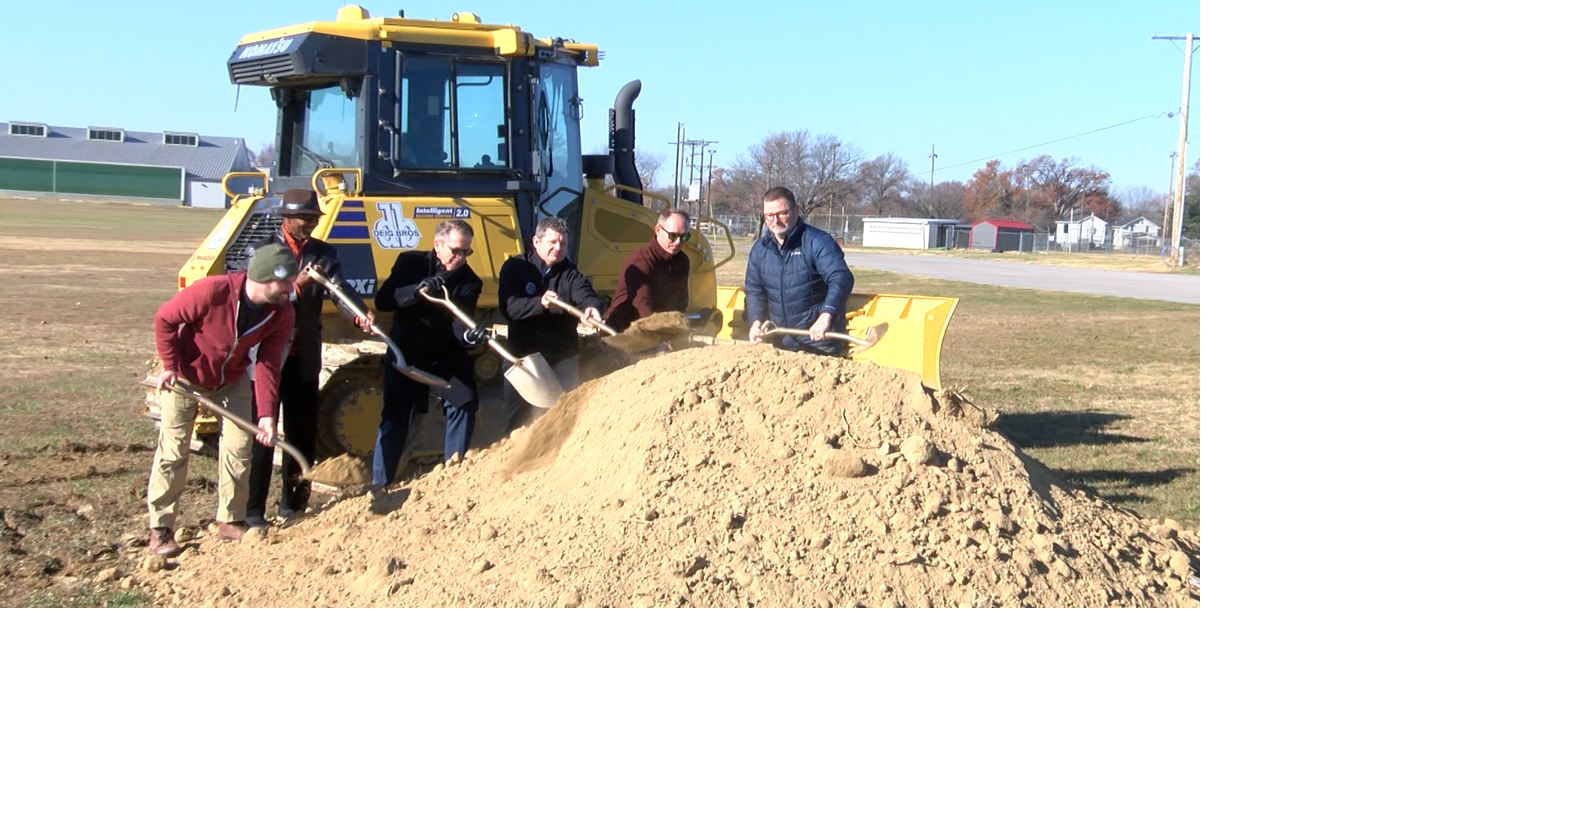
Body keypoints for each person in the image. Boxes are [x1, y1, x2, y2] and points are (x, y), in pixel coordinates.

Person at [146, 244, 297, 557]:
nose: (291, 290)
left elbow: (268, 363)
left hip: (232, 380)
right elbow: (165, 319)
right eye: (285, 284)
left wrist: (267, 414)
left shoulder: (282, 313)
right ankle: (160, 528)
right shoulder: (212, 291)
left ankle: (230, 521)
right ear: (264, 279)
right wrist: (170, 365)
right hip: (187, 377)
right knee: (173, 452)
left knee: (240, 449)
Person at [245, 189, 373, 526]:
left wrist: (359, 314)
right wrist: (297, 286)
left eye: (316, 218)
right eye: (306, 219)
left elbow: (341, 291)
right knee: (263, 435)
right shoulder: (263, 251)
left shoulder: (324, 254)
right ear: (287, 218)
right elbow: (259, 298)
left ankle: (294, 506)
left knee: (302, 433)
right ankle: (253, 512)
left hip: (304, 357)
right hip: (268, 359)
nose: (313, 224)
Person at [370, 220, 490, 486]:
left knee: (465, 401)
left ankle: (452, 475)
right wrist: (418, 289)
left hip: (444, 355)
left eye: (466, 252)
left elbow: (461, 325)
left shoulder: (469, 281)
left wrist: (471, 336)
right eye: (456, 251)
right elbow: (384, 300)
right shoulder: (410, 263)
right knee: (396, 414)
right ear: (438, 245)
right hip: (407, 354)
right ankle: (381, 483)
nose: (460, 258)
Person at [498, 216, 604, 428]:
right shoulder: (515, 267)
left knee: (561, 418)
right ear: (536, 242)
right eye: (552, 242)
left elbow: (585, 294)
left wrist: (591, 307)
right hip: (523, 358)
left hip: (561, 356)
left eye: (563, 243)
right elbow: (509, 308)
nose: (558, 248)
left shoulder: (570, 273)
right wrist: (540, 304)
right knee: (517, 421)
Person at [745, 186, 855, 356]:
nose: (775, 221)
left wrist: (826, 316)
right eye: (769, 216)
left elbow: (841, 278)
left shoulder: (817, 242)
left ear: (796, 211)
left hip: (820, 342)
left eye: (782, 214)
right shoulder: (760, 249)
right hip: (781, 342)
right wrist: (755, 321)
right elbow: (754, 290)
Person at [605, 209, 692, 333]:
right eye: (673, 236)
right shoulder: (641, 261)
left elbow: (681, 301)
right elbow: (643, 305)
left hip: (660, 329)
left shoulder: (682, 261)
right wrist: (659, 336)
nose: (678, 242)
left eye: (684, 237)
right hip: (625, 331)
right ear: (658, 230)